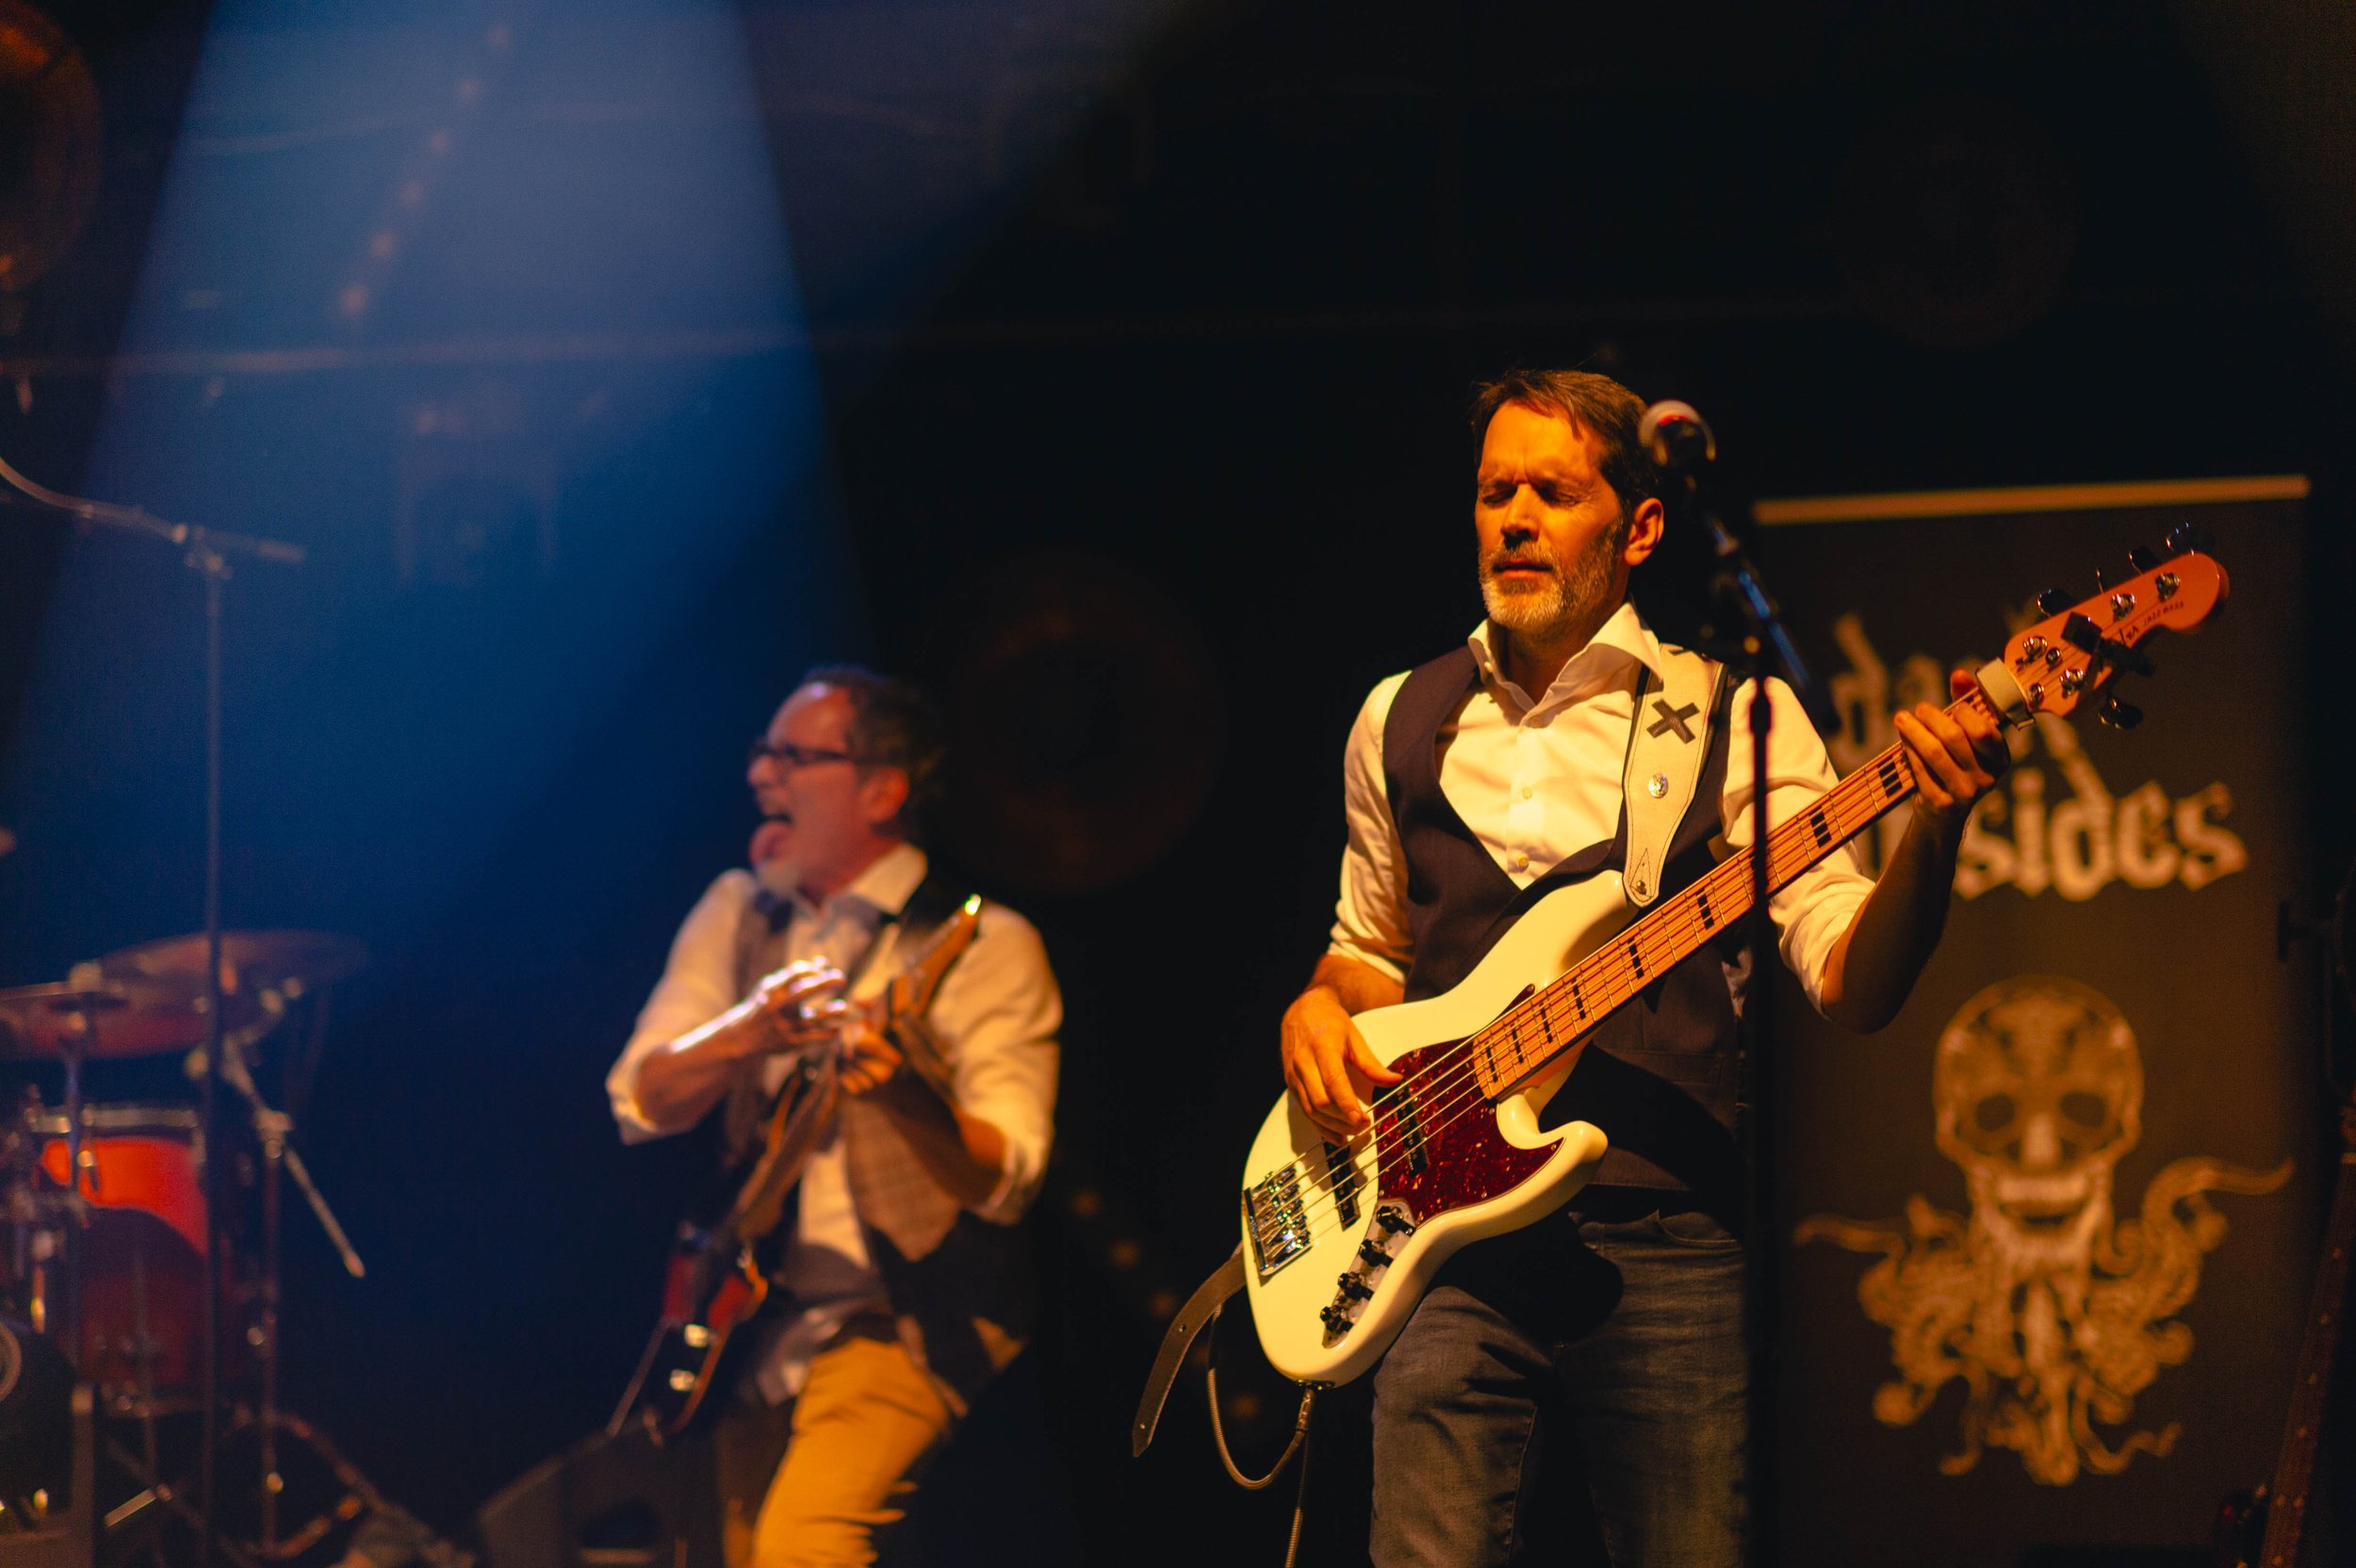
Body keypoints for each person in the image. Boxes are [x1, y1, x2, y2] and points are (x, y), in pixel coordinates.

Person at [1278, 369, 2008, 1566]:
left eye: (1552, 492)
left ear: (1641, 527)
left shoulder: (1731, 711)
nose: (1512, 516)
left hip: (1663, 1239)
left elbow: (1852, 981)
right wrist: (1316, 1004)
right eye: (1492, 490)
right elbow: (1368, 952)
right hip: (1437, 1245)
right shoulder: (1393, 716)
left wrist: (1929, 827)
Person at [607, 666, 1060, 1568]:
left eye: (793, 756)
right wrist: (745, 1033)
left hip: (909, 1314)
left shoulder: (984, 945)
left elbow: (1006, 1176)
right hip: (753, 1321)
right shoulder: (737, 909)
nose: (759, 776)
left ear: (882, 791)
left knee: (803, 1548)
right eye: (762, 753)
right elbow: (641, 1099)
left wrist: (905, 1096)